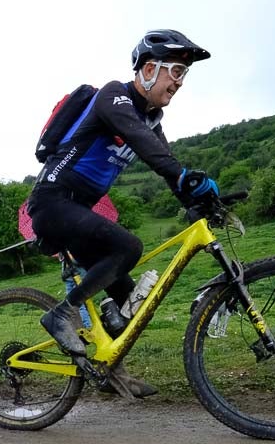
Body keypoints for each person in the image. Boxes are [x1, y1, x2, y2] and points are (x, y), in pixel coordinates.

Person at [28, 29, 219, 398]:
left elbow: (166, 164)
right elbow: (148, 148)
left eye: (184, 75)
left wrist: (199, 200)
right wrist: (182, 176)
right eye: (175, 72)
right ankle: (62, 313)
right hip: (52, 202)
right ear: (148, 69)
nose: (179, 82)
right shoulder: (113, 95)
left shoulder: (151, 119)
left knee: (131, 301)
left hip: (77, 209)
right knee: (128, 247)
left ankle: (110, 373)